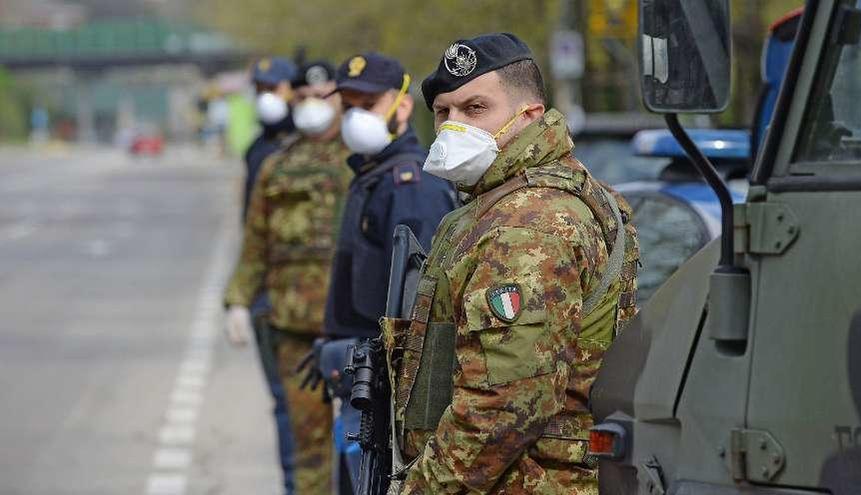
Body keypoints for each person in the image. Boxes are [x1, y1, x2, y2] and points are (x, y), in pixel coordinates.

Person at [384, 33, 640, 494]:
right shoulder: (552, 196)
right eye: (443, 112)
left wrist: (420, 489)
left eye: (475, 108)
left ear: (530, 115)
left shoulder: (526, 225)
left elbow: (503, 404)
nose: (452, 126)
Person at [317, 52, 458, 490]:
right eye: (349, 106)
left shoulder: (410, 185)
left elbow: (422, 301)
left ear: (401, 106)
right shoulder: (375, 174)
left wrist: (367, 354)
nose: (356, 116)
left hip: (385, 386)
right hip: (362, 374)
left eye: (368, 104)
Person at [224, 60, 349, 495]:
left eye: (323, 96)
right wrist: (238, 300)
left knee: (368, 447)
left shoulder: (367, 162)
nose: (314, 106)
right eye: (304, 99)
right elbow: (256, 241)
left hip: (358, 327)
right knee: (308, 448)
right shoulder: (276, 167)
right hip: (294, 327)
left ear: (340, 98)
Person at [242, 57, 299, 221]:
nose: (265, 97)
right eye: (259, 90)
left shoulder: (306, 141)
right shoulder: (255, 147)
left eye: (272, 88)